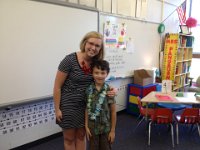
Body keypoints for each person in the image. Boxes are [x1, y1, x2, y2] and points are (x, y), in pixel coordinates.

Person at [53, 31, 116, 150]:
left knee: (81, 137)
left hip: (87, 106)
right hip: (68, 106)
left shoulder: (96, 62)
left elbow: (100, 79)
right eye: (91, 43)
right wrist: (57, 109)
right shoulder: (69, 60)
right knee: (69, 139)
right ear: (84, 43)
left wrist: (113, 88)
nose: (93, 48)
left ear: (100, 48)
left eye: (97, 46)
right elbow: (57, 86)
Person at [85, 60, 116, 150]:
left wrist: (113, 131)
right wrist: (86, 126)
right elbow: (86, 109)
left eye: (103, 73)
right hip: (92, 128)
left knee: (106, 147)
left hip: (106, 128)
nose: (99, 75)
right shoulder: (88, 90)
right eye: (96, 73)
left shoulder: (109, 90)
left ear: (107, 73)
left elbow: (113, 111)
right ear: (92, 73)